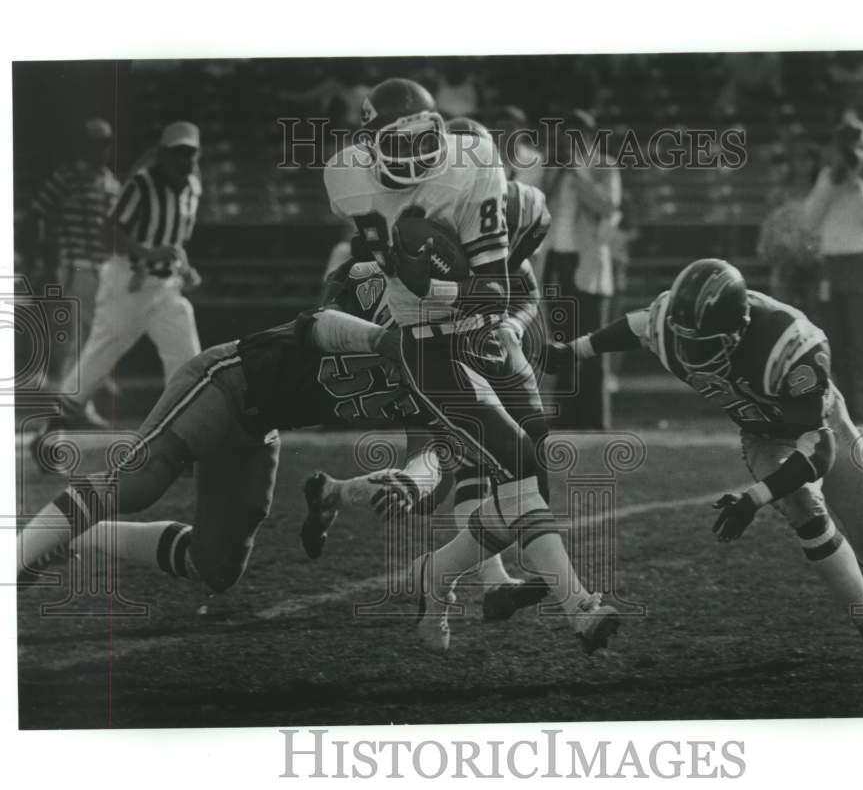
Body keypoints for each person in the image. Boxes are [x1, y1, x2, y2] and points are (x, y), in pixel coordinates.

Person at [323, 77, 617, 654]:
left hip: (482, 332)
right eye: (396, 143)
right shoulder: (345, 172)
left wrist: (428, 280)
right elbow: (376, 252)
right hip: (428, 346)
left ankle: (436, 575)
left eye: (422, 140)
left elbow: (492, 290)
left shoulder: (475, 165)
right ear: (369, 143)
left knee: (528, 476)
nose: (414, 155)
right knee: (513, 467)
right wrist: (404, 279)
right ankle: (579, 607)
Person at [545, 258, 863, 678]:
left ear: (738, 330)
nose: (690, 353)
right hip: (761, 435)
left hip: (818, 425)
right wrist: (573, 350)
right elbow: (636, 326)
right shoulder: (671, 324)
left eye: (703, 344)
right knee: (803, 508)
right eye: (681, 339)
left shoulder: (791, 345)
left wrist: (754, 498)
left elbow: (817, 452)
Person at [16, 305, 423, 596]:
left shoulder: (441, 387)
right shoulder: (390, 314)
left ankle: (80, 536)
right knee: (140, 482)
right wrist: (385, 341)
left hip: (257, 429)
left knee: (215, 568)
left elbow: (430, 458)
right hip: (225, 381)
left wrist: (410, 482)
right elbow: (321, 323)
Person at [306, 156, 553, 618]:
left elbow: (523, 292)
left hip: (464, 354)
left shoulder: (494, 223)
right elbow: (348, 289)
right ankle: (336, 493)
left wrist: (513, 327)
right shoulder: (413, 224)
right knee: (434, 476)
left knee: (466, 462)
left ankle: (494, 582)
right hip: (413, 352)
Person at [34, 122, 205, 438]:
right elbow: (109, 232)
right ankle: (52, 431)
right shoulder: (141, 184)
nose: (186, 161)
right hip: (128, 284)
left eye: (191, 154)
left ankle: (178, 440)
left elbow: (176, 241)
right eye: (179, 154)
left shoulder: (193, 188)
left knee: (187, 360)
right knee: (97, 359)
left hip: (165, 289)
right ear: (163, 155)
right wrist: (148, 253)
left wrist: (184, 267)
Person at [802, 116, 863, 427]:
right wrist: (832, 182)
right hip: (833, 264)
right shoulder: (829, 176)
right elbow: (809, 221)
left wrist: (858, 183)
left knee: (861, 343)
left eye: (859, 147)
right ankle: (839, 415)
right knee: (834, 342)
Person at [27, 119, 120, 421]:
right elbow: (39, 215)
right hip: (77, 266)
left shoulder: (110, 182)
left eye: (106, 143)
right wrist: (46, 259)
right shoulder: (66, 178)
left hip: (105, 269)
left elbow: (117, 231)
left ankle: (77, 402)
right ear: (86, 146)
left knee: (87, 338)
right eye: (97, 143)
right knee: (86, 338)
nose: (102, 149)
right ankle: (76, 405)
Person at [541, 109, 622, 430]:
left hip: (586, 262)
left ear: (589, 137)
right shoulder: (554, 168)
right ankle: (565, 413)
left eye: (576, 135)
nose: (568, 141)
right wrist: (555, 173)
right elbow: (540, 203)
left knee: (591, 341)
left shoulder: (604, 166)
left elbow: (607, 206)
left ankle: (594, 416)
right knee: (562, 341)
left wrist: (577, 173)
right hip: (556, 260)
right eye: (565, 135)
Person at [756, 143, 823, 318]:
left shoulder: (822, 192)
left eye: (808, 159)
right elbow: (770, 223)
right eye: (799, 159)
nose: (803, 164)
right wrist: (767, 249)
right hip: (785, 261)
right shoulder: (780, 193)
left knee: (813, 314)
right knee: (782, 313)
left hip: (813, 262)